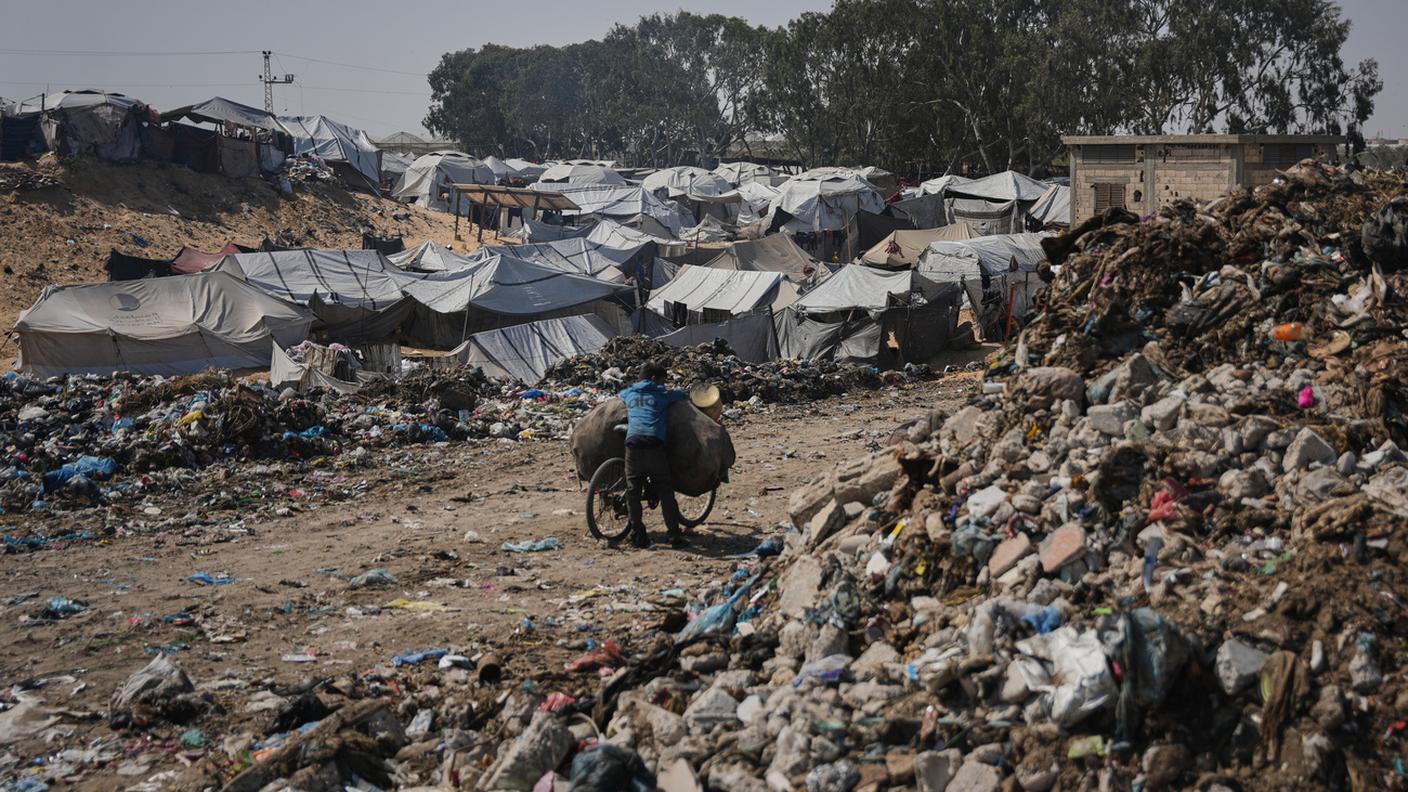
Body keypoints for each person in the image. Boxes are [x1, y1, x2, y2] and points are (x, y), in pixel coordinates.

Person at [619, 362, 690, 548]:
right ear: (654, 379)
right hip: (654, 445)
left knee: (633, 492)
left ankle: (638, 534)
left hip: (632, 445)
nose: (664, 384)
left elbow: (621, 395)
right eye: (663, 381)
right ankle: (674, 535)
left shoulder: (629, 393)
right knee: (665, 490)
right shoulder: (661, 393)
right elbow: (682, 395)